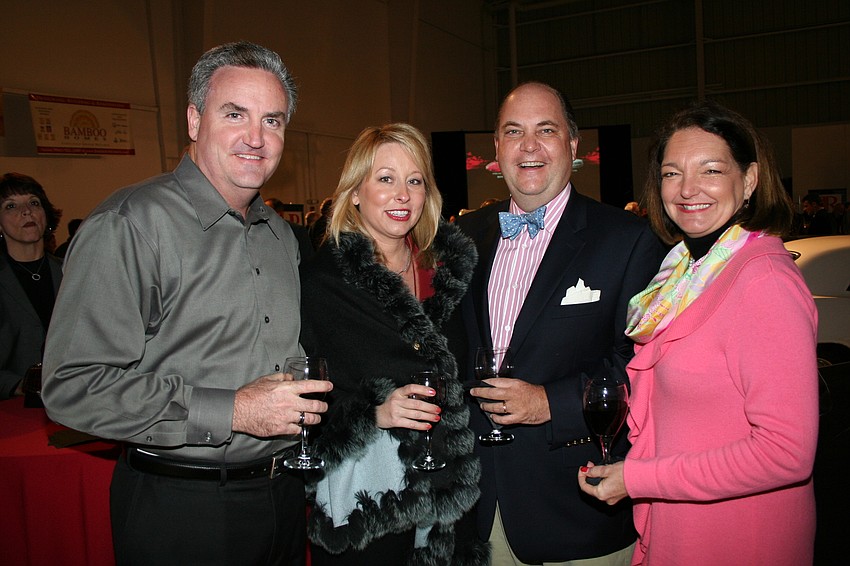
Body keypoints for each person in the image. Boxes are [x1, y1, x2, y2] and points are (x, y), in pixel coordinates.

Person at [41, 41, 332, 566]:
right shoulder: (131, 225)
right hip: (181, 508)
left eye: (273, 120)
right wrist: (235, 409)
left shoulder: (281, 238)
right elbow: (72, 387)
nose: (256, 139)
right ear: (195, 120)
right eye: (235, 114)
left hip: (282, 499)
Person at [578, 101, 818, 565]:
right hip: (684, 524)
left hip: (739, 536)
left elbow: (786, 453)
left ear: (748, 181)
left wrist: (639, 478)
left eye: (710, 170)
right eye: (672, 173)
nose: (688, 189)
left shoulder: (762, 280)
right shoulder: (684, 270)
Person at [456, 82, 666, 565]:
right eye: (514, 132)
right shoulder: (463, 238)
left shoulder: (628, 240)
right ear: (497, 148)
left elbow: (639, 363)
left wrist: (549, 403)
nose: (528, 146)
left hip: (576, 506)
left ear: (572, 146)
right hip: (478, 510)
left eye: (545, 130)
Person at [299, 123, 487, 565]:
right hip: (370, 498)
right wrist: (373, 411)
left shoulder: (449, 275)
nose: (402, 194)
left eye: (414, 180)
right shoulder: (323, 284)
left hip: (448, 490)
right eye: (385, 178)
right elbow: (300, 391)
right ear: (356, 192)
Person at [0, 173, 62, 399]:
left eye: (33, 203)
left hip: (75, 401)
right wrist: (19, 385)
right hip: (13, 409)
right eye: (10, 206)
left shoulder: (72, 272)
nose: (26, 211)